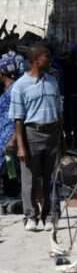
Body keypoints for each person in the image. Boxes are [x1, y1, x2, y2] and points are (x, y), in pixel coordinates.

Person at [9, 44, 63, 232]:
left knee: (52, 179)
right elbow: (18, 119)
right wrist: (21, 146)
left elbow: (59, 111)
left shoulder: (52, 82)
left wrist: (62, 139)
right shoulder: (20, 86)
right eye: (46, 56)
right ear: (35, 60)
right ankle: (30, 216)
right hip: (32, 134)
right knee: (30, 179)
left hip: (53, 133)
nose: (49, 59)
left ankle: (50, 216)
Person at [0, 56, 19, 197]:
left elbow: (19, 116)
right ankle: (10, 190)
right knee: (8, 165)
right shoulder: (9, 88)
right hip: (5, 131)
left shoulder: (14, 90)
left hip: (9, 133)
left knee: (9, 164)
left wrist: (13, 138)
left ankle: (12, 191)